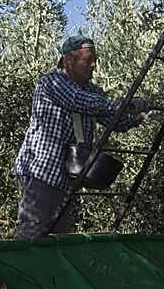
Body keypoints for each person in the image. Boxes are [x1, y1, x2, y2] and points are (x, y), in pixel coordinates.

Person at [12, 35, 152, 239]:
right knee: (34, 229)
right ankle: (19, 269)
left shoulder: (91, 90)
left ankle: (47, 271)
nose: (94, 65)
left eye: (94, 60)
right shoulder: (52, 82)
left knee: (58, 235)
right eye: (88, 60)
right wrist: (125, 105)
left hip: (68, 174)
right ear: (69, 60)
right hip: (43, 170)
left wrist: (140, 117)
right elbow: (79, 101)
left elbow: (113, 120)